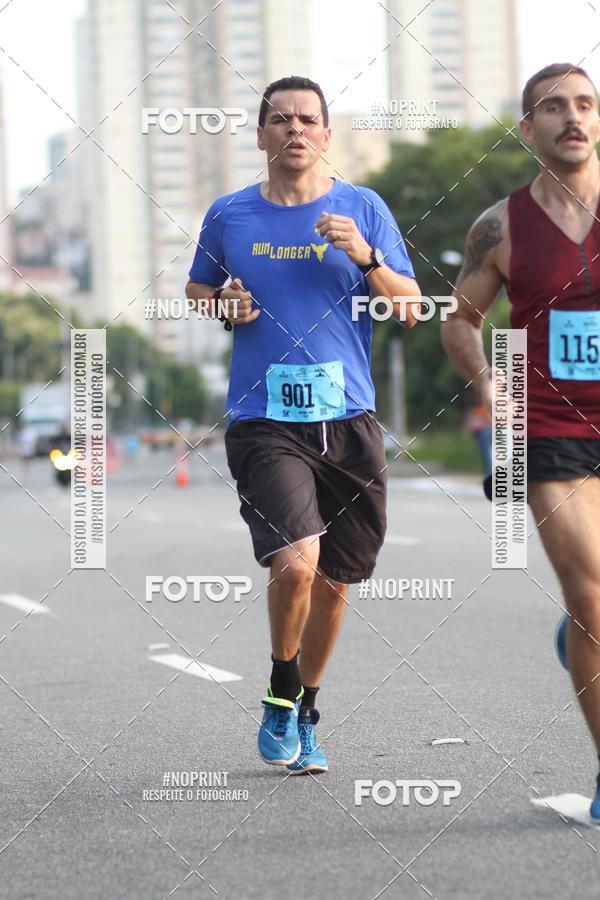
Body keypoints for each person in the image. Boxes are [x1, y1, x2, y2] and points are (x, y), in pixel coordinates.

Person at [186, 75, 420, 773]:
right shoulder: (231, 215)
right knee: (296, 565)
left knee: (336, 583)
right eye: (280, 119)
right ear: (261, 136)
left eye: (307, 119)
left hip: (347, 421)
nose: (294, 129)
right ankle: (280, 683)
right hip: (266, 421)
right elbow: (198, 288)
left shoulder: (363, 209)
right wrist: (221, 301)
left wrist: (365, 256)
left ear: (325, 134)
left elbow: (409, 308)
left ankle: (305, 708)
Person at [441, 63, 600, 816]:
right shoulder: (498, 227)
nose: (571, 117)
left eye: (584, 104)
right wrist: (486, 381)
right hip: (549, 427)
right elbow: (459, 320)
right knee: (595, 594)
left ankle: (578, 639)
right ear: (527, 128)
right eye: (552, 107)